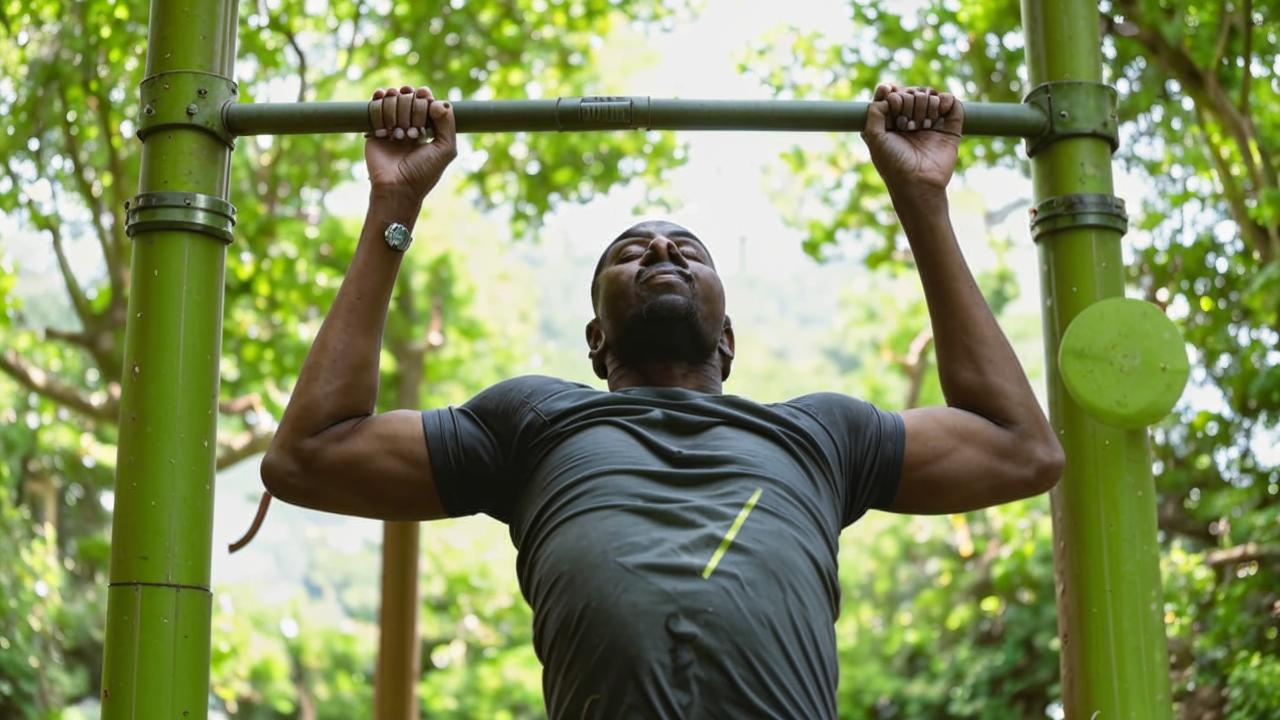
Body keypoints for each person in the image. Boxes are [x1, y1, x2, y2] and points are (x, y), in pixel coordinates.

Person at [261, 82, 1065, 718]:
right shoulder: (533, 421)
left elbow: (1022, 449)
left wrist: (921, 196)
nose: (661, 247)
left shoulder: (821, 434)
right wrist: (394, 204)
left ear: (728, 343)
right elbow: (307, 456)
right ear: (595, 343)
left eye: (690, 250)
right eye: (629, 251)